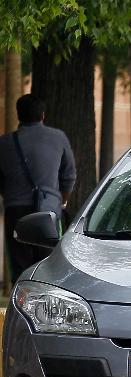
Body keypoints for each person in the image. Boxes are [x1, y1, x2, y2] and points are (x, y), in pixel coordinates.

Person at [0, 95, 76, 285]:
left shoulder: (4, 143)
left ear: (19, 115)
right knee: (49, 265)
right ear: (43, 115)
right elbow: (69, 175)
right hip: (48, 210)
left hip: (16, 211)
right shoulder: (58, 137)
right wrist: (62, 199)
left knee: (20, 265)